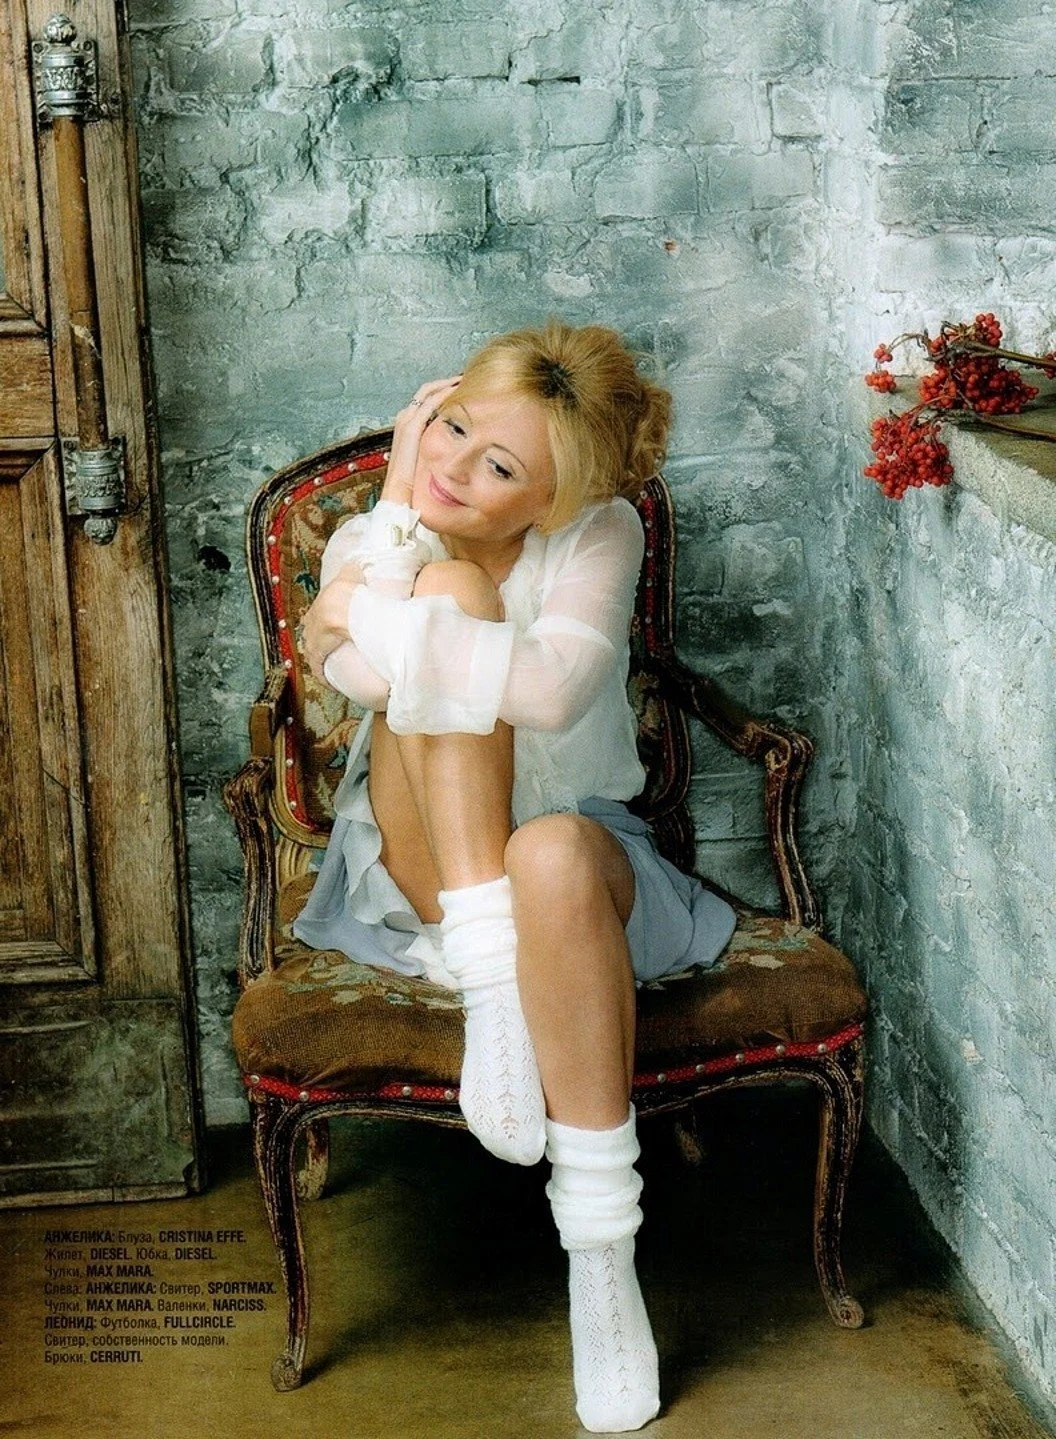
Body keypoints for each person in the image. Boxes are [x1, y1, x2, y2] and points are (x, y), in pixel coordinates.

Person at [298, 320, 736, 1434]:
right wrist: (392, 535)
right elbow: (361, 681)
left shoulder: (602, 531)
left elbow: (549, 693)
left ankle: (602, 1262)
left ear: (551, 501)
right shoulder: (379, 531)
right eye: (449, 428)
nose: (451, 468)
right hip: (419, 862)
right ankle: (494, 979)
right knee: (450, 587)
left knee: (545, 847)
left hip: (577, 863)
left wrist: (353, 612)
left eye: (496, 465)